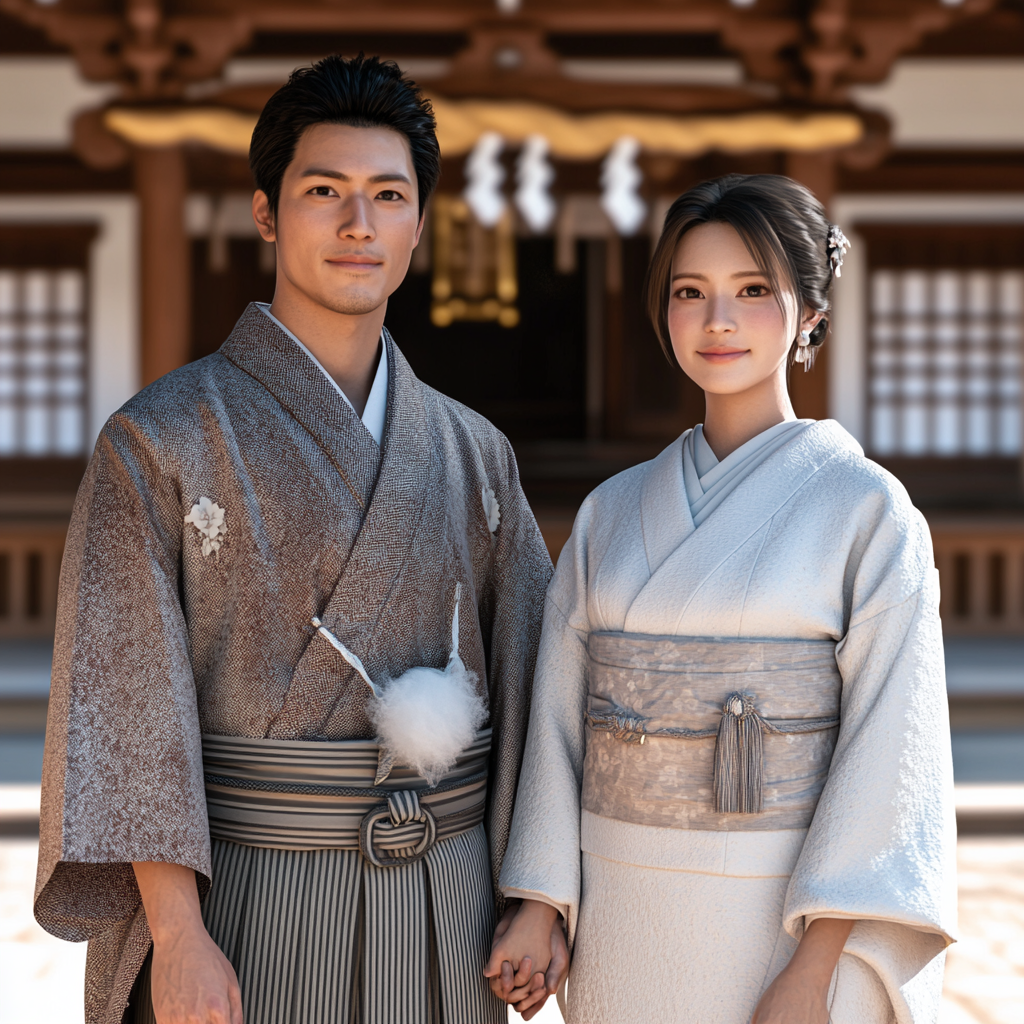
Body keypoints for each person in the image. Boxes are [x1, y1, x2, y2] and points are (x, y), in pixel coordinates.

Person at [35, 54, 560, 1024]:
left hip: (443, 890)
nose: (359, 224)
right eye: (325, 191)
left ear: (417, 222)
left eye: (387, 195)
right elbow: (126, 699)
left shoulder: (473, 451)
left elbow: (540, 682)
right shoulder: (162, 436)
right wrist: (177, 932)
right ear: (268, 213)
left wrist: (534, 894)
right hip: (238, 895)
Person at [488, 174, 957, 1024]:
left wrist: (815, 969)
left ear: (809, 313)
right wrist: (542, 903)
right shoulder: (614, 510)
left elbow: (890, 753)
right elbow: (559, 720)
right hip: (627, 913)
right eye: (689, 293)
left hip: (782, 929)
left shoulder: (866, 509)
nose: (718, 322)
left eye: (752, 291)